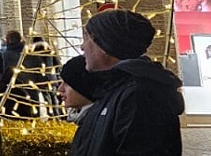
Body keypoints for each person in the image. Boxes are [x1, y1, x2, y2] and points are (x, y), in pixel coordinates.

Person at [71, 10, 183, 155]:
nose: (82, 47)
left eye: (87, 38)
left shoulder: (140, 95)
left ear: (104, 45)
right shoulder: (111, 89)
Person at [57, 55, 103, 124]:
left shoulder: (99, 123)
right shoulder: (87, 120)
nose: (60, 89)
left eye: (67, 83)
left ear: (84, 86)